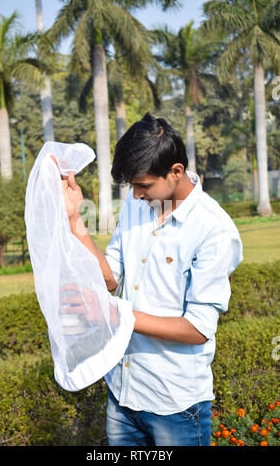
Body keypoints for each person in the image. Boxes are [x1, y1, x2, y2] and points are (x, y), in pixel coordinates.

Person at [56, 112, 243, 446]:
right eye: (133, 186)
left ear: (176, 172)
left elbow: (198, 329)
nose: (136, 194)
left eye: (143, 185)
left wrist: (114, 315)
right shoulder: (137, 202)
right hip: (123, 393)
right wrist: (76, 223)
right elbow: (110, 279)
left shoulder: (214, 230)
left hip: (174, 404)